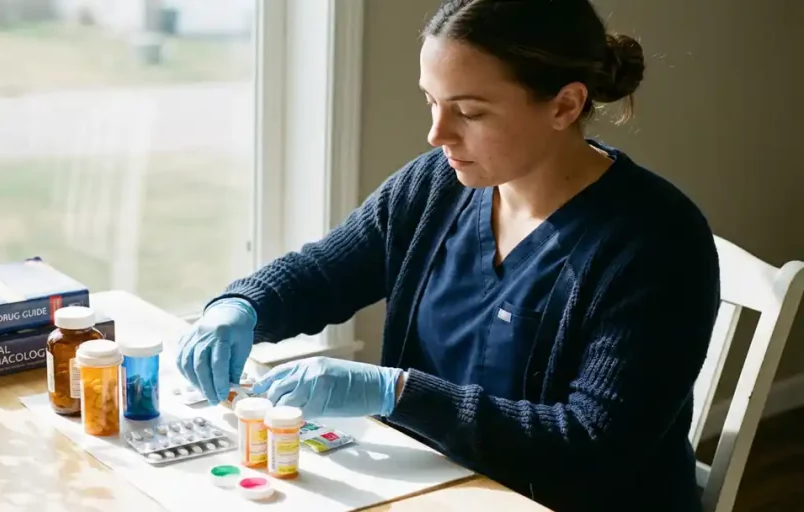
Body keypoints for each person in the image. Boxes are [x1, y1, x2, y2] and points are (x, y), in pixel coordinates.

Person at [176, 0, 720, 510]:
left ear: (565, 105)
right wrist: (240, 307)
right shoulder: (436, 186)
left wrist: (397, 392)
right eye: (432, 101)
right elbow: (322, 274)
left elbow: (588, 445)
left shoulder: (657, 243)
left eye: (470, 112)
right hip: (431, 483)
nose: (437, 134)